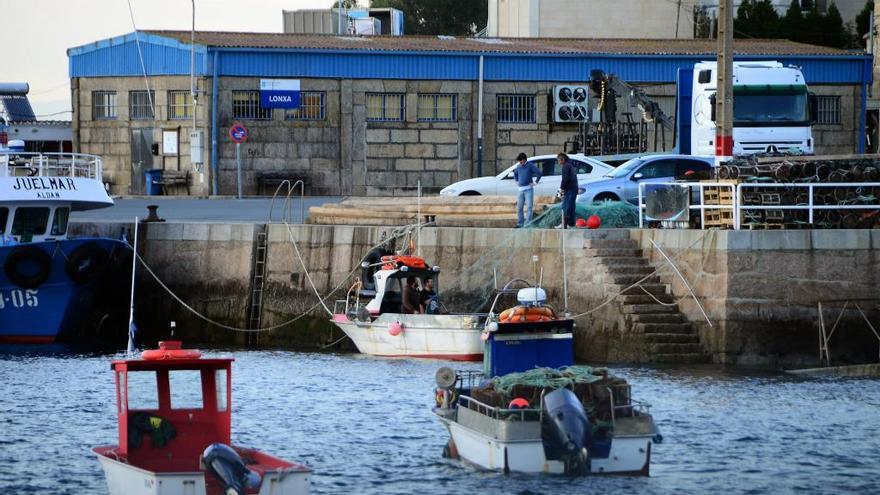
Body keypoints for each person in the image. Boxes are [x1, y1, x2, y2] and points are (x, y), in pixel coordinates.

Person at [512, 152, 541, 228]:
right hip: (520, 190)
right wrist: (517, 181)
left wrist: (535, 182)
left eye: (521, 161)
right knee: (519, 207)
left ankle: (528, 223)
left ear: (524, 160)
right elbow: (515, 174)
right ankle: (520, 223)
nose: (520, 162)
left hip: (528, 189)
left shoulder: (530, 166)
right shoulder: (518, 166)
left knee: (529, 207)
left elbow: (539, 173)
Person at [556, 152, 578, 229]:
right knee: (571, 206)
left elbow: (565, 180)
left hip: (569, 189)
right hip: (574, 188)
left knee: (566, 207)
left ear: (562, 159)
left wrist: (561, 190)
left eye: (558, 160)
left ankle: (564, 224)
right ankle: (571, 224)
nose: (558, 162)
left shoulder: (565, 166)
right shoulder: (571, 165)